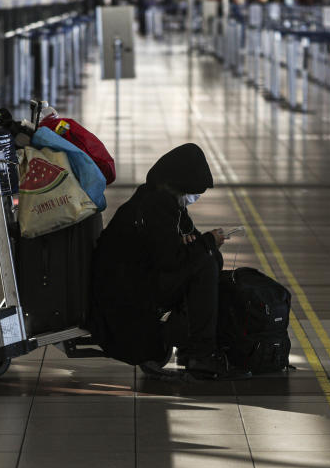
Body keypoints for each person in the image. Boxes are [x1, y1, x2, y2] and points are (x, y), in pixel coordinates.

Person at [89, 143, 236, 379]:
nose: (193, 197)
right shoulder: (154, 206)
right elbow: (171, 261)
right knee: (206, 263)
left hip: (139, 281)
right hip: (128, 294)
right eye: (190, 192)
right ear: (178, 185)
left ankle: (194, 345)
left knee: (209, 258)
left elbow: (180, 245)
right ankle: (200, 352)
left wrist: (202, 243)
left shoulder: (164, 202)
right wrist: (207, 242)